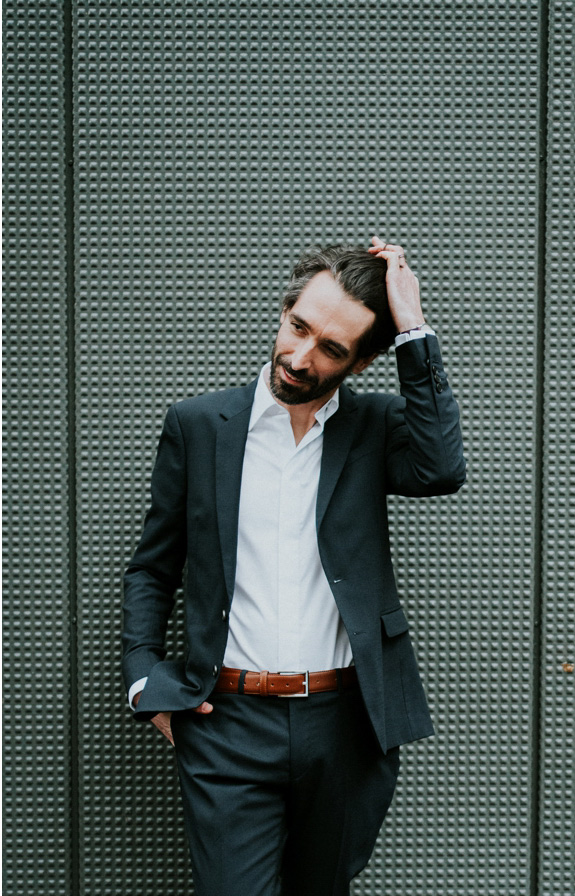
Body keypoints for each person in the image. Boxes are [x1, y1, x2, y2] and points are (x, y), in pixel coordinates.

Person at [122, 239, 465, 895]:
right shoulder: (198, 425)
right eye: (297, 326)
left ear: (364, 361)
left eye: (332, 349)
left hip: (344, 724)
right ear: (284, 311)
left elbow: (442, 467)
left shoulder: (374, 427)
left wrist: (414, 328)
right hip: (225, 724)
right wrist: (144, 679)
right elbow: (153, 566)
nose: (300, 357)